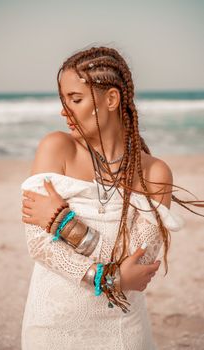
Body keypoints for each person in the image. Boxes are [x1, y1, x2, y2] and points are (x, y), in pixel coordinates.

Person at [20, 46, 203, 350]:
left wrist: (64, 224)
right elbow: (39, 246)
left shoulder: (154, 173)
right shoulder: (56, 148)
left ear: (111, 99)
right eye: (63, 100)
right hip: (50, 325)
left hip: (122, 331)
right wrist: (112, 279)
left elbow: (137, 262)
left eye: (75, 99)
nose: (64, 111)